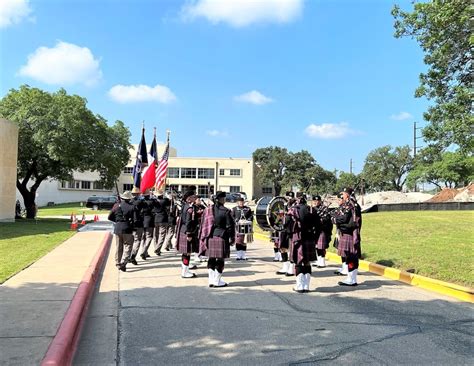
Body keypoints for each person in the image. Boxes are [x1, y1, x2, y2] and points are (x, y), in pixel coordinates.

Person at [199, 191, 235, 287]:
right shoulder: (226, 211)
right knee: (220, 260)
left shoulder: (208, 210)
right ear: (222, 199)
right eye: (224, 198)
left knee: (211, 258)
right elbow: (230, 226)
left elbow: (204, 223)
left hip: (210, 236)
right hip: (221, 236)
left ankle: (211, 280)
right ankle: (217, 281)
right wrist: (232, 238)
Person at [287, 192, 317, 293]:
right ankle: (306, 286)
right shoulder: (312, 209)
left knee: (298, 261)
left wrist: (290, 234)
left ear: (297, 199)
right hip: (309, 238)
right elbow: (318, 225)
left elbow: (287, 223)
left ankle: (299, 286)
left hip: (298, 239)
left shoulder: (293, 209)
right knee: (307, 262)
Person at [331, 187, 360, 286]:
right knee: (351, 257)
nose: (342, 195)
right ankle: (352, 278)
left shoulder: (350, 205)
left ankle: (352, 279)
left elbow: (343, 219)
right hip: (349, 233)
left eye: (343, 194)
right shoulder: (352, 204)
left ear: (347, 194)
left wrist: (335, 220)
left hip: (349, 233)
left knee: (351, 257)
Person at [108, 191, 135, 272]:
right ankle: (124, 262)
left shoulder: (116, 205)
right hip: (127, 227)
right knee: (128, 246)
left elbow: (109, 217)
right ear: (129, 199)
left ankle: (118, 262)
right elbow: (134, 219)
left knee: (119, 247)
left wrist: (117, 221)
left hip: (118, 228)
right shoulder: (132, 207)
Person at [176, 193, 200, 278]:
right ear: (188, 199)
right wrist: (189, 233)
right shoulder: (189, 208)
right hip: (188, 231)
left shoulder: (185, 206)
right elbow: (188, 221)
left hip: (184, 230)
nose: (195, 198)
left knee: (186, 253)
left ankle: (185, 270)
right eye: (193, 197)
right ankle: (185, 272)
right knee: (187, 253)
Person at [276, 191, 296, 276]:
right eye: (287, 197)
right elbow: (280, 216)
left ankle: (292, 268)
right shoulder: (283, 205)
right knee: (282, 247)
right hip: (284, 229)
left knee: (292, 248)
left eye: (290, 197)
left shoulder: (296, 206)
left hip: (292, 229)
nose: (289, 198)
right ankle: (285, 266)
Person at [312, 195, 332, 268]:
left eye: (317, 201)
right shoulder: (312, 209)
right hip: (315, 230)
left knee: (321, 246)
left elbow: (326, 219)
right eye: (314, 201)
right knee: (317, 246)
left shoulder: (325, 209)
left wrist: (320, 220)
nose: (316, 202)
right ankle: (319, 260)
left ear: (320, 201)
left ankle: (322, 262)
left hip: (322, 229)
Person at [152, 191, 171, 256]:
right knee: (162, 235)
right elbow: (169, 202)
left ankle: (156, 248)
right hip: (163, 219)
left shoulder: (154, 201)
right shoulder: (164, 200)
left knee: (156, 235)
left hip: (156, 218)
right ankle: (157, 248)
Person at [129, 187, 145, 265]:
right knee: (137, 240)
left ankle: (128, 255)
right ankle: (132, 256)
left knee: (130, 241)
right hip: (138, 223)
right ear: (138, 194)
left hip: (130, 224)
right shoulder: (140, 202)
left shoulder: (129, 202)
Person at [139, 188, 155, 260]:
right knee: (149, 237)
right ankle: (143, 251)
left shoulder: (141, 202)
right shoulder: (152, 201)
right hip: (149, 220)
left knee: (144, 237)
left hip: (142, 221)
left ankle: (145, 252)